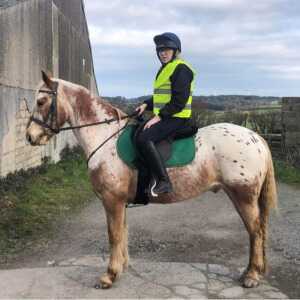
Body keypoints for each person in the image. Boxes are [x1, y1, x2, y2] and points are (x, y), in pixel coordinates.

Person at [135, 32, 195, 196]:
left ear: (176, 51)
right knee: (137, 131)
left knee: (144, 138)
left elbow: (178, 101)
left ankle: (164, 181)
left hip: (178, 118)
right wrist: (146, 104)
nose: (163, 53)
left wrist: (158, 117)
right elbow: (162, 96)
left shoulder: (181, 69)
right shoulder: (166, 68)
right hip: (169, 115)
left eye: (167, 49)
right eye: (160, 50)